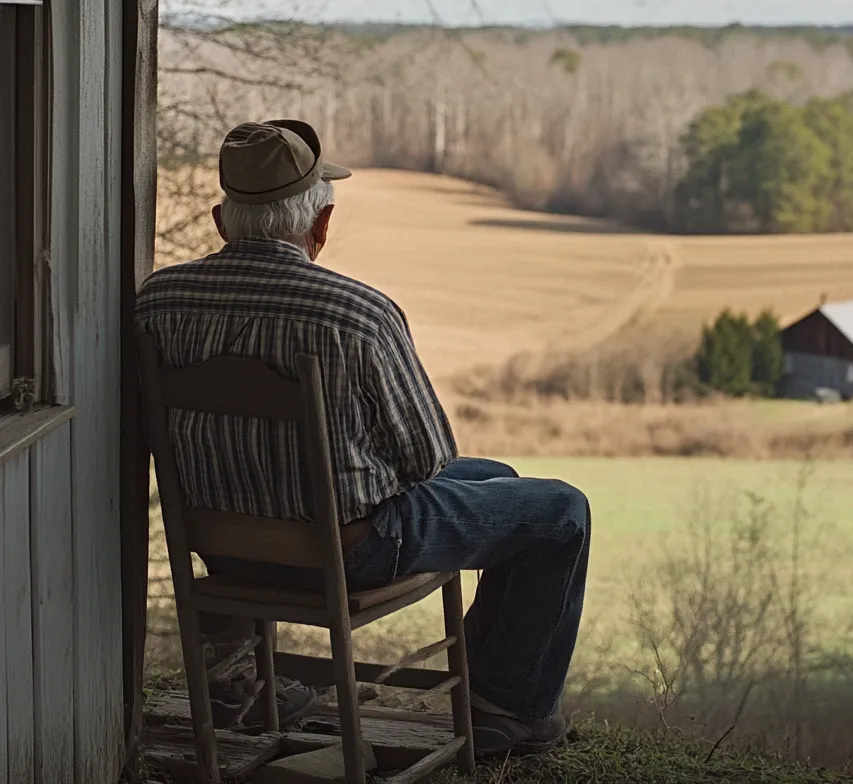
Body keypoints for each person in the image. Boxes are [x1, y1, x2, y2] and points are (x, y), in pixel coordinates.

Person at [135, 119, 591, 756]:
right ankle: (509, 707)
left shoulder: (158, 301)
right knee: (561, 510)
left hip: (222, 550)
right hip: (347, 553)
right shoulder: (355, 313)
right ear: (320, 225)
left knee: (498, 479)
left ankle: (244, 672)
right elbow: (429, 457)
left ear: (220, 220)